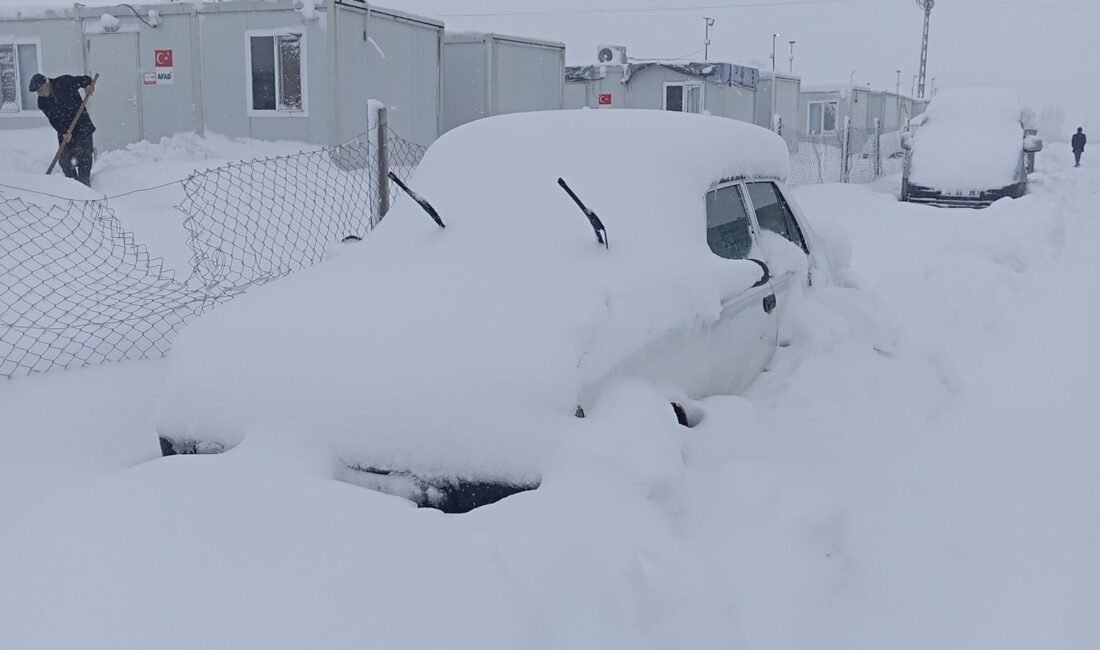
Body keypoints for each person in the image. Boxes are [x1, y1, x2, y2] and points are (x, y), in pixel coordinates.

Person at [28, 73, 97, 186]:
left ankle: (85, 187)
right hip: (65, 130)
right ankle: (72, 185)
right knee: (65, 160)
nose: (38, 93)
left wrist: (88, 86)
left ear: (46, 83)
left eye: (39, 90)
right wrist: (64, 132)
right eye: (37, 91)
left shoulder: (64, 82)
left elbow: (84, 79)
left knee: (84, 158)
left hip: (82, 125)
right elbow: (53, 120)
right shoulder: (42, 102)